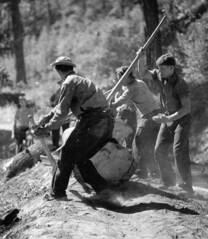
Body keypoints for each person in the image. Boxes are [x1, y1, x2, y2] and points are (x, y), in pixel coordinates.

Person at [34, 56, 114, 200]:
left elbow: (61, 113)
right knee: (80, 157)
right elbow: (60, 108)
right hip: (105, 121)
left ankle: (58, 193)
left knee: (67, 154)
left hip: (93, 122)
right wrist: (46, 118)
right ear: (71, 68)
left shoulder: (68, 82)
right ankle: (103, 190)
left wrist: (46, 128)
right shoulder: (80, 79)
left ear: (58, 70)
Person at [138, 53, 193, 194]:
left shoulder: (180, 84)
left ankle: (186, 186)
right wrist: (141, 56)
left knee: (179, 151)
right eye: (158, 68)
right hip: (168, 118)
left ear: (171, 68)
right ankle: (168, 182)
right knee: (160, 150)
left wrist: (168, 119)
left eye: (162, 69)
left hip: (181, 120)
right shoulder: (159, 75)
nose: (159, 71)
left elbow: (186, 108)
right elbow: (142, 73)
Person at [110, 66, 161, 179]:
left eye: (120, 77)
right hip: (156, 113)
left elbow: (120, 102)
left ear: (127, 76)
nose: (119, 80)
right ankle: (154, 171)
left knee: (137, 143)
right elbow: (127, 95)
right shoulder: (139, 82)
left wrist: (109, 105)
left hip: (149, 117)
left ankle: (141, 171)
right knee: (148, 145)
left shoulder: (132, 89)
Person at [49, 82, 70, 150]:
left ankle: (66, 146)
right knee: (55, 130)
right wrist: (52, 104)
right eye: (61, 84)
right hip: (57, 114)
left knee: (65, 131)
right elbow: (51, 99)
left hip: (65, 114)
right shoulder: (57, 91)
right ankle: (55, 145)